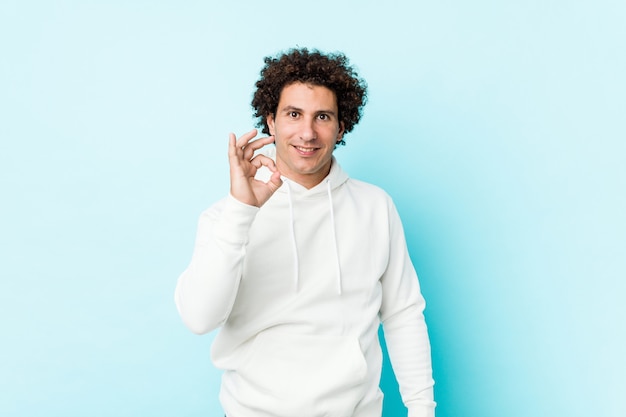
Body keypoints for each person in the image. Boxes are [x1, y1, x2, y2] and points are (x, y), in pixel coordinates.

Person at [175, 47, 436, 417]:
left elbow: (403, 313)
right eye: (294, 114)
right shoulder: (226, 216)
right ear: (271, 121)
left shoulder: (375, 207)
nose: (308, 132)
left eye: (323, 117)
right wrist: (242, 210)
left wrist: (422, 409)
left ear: (341, 126)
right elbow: (198, 319)